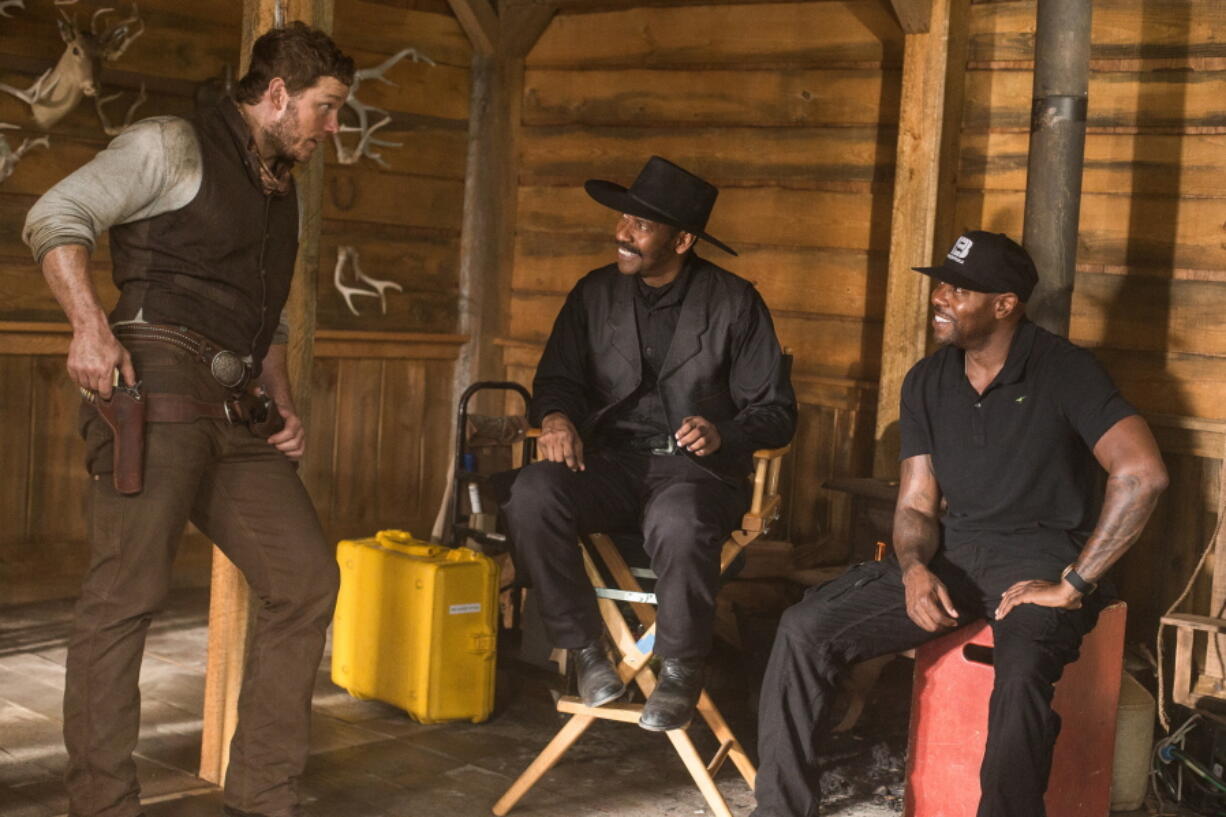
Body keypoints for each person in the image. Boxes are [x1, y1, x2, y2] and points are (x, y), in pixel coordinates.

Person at [22, 23, 355, 817]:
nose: (333, 128)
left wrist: (281, 398)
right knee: (125, 596)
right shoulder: (171, 144)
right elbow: (54, 214)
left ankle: (261, 797)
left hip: (237, 406)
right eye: (327, 108)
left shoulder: (281, 181)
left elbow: (263, 315)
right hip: (153, 386)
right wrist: (88, 327)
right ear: (276, 96)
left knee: (305, 577)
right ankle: (102, 805)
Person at [751, 231, 1169, 817]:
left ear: (1005, 304)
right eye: (941, 284)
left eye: (959, 289)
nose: (940, 298)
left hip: (1039, 563)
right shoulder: (927, 379)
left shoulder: (1064, 370)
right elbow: (918, 503)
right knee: (803, 627)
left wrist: (1073, 584)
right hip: (955, 558)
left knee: (1021, 673)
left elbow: (1142, 474)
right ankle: (780, 811)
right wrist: (914, 569)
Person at [502, 156, 796, 732]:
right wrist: (558, 418)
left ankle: (681, 670)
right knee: (531, 492)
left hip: (694, 472)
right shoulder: (593, 294)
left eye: (640, 226)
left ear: (682, 239)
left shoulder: (734, 302)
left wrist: (725, 432)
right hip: (608, 462)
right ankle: (587, 651)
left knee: (680, 520)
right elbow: (557, 379)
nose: (622, 234)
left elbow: (776, 412)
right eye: (623, 221)